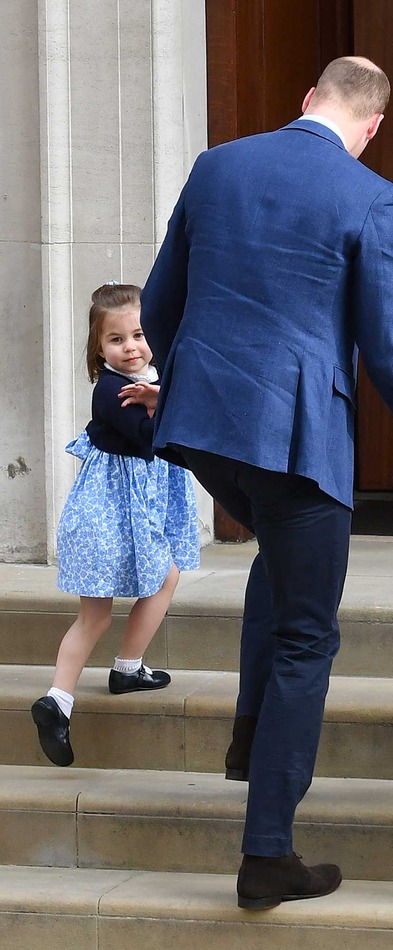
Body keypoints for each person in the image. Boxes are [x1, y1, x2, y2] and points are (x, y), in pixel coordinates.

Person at [138, 56, 393, 910]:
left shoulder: (218, 165)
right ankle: (267, 854)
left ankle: (251, 736)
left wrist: (189, 385)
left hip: (204, 429)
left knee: (277, 559)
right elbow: (388, 345)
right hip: (299, 439)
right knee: (309, 639)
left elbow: (158, 307)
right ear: (372, 126)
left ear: (308, 99)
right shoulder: (371, 196)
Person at [31, 283, 200, 768]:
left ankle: (126, 669)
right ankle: (58, 701)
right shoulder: (112, 391)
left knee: (164, 577)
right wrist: (159, 402)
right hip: (109, 516)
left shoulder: (153, 377)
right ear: (98, 348)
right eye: (116, 339)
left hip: (131, 511)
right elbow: (151, 438)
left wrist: (159, 393)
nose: (130, 347)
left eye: (138, 335)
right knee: (96, 615)